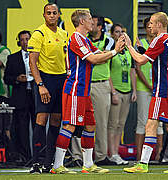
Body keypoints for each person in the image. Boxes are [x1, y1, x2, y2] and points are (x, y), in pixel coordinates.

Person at [50, 9, 125, 174]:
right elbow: (93, 59)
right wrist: (115, 51)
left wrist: (116, 49)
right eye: (90, 19)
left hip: (84, 90)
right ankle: (57, 166)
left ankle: (88, 165)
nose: (93, 22)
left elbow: (100, 54)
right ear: (82, 21)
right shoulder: (76, 39)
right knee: (69, 125)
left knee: (90, 125)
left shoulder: (84, 39)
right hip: (75, 89)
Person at [123, 12, 168, 173]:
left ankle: (143, 163)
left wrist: (129, 46)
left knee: (151, 124)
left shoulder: (159, 39)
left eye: (152, 23)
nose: (149, 25)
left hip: (162, 88)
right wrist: (142, 49)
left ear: (159, 24)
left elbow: (141, 60)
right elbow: (160, 57)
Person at [27, 3, 68, 174]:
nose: (51, 15)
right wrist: (41, 85)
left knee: (56, 121)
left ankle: (49, 162)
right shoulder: (38, 34)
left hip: (61, 79)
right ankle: (36, 162)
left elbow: (66, 59)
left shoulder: (64, 33)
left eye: (54, 13)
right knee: (41, 119)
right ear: (43, 15)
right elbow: (32, 62)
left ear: (59, 15)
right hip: (45, 80)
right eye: (48, 13)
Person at [4, 30, 35, 163]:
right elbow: (6, 78)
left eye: (27, 39)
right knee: (21, 128)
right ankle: (24, 157)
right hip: (20, 97)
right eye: (22, 39)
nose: (25, 42)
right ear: (18, 42)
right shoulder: (13, 58)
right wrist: (17, 79)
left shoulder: (38, 56)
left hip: (36, 96)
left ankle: (40, 156)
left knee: (38, 126)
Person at [88, 15, 115, 165]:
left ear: (100, 27)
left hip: (101, 84)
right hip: (85, 83)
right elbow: (95, 57)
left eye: (93, 24)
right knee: (80, 121)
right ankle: (78, 156)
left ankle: (101, 156)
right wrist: (99, 55)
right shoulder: (83, 38)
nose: (90, 25)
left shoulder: (109, 40)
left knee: (101, 122)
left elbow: (106, 58)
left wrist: (94, 56)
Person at [135, 17, 164, 162]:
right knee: (142, 122)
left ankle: (159, 155)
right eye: (148, 26)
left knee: (160, 123)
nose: (150, 28)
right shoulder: (142, 43)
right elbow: (138, 66)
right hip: (143, 88)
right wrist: (148, 85)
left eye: (151, 24)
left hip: (158, 87)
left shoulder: (160, 41)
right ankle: (140, 156)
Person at [107, 23, 136, 165]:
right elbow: (107, 73)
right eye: (117, 32)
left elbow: (132, 71)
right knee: (112, 124)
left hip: (127, 90)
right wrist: (113, 92)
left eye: (122, 32)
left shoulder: (128, 51)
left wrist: (134, 90)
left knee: (121, 125)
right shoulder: (111, 52)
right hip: (116, 91)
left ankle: (117, 153)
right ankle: (112, 153)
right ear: (112, 35)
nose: (120, 34)